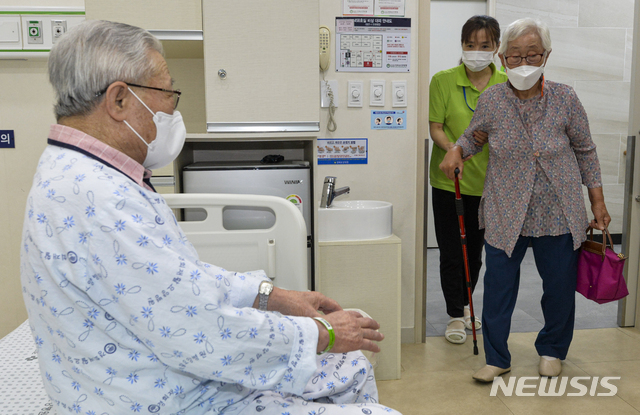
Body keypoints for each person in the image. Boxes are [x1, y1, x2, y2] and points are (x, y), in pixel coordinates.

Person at [20, 20, 401, 415]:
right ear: (119, 100)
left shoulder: (90, 175)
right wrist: (321, 334)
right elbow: (199, 329)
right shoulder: (95, 199)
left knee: (352, 367)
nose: (173, 106)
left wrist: (273, 297)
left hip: (169, 376)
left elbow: (181, 280)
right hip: (162, 399)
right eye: (167, 91)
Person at [439, 18, 611, 382]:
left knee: (559, 288)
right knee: (499, 288)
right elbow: (474, 137)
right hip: (505, 209)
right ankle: (497, 356)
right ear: (503, 59)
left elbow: (586, 150)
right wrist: (457, 150)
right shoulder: (492, 99)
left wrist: (597, 202)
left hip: (558, 212)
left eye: (532, 54)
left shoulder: (565, 97)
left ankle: (552, 349)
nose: (523, 63)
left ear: (546, 55)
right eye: (515, 56)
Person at [428, 15, 507, 345]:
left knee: (474, 253)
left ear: (496, 47)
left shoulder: (507, 83)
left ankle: (468, 303)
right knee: (451, 251)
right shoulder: (443, 80)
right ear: (462, 46)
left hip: (491, 185)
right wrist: (453, 150)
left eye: (484, 45)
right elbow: (435, 127)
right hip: (450, 181)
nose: (476, 51)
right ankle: (454, 315)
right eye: (470, 45)